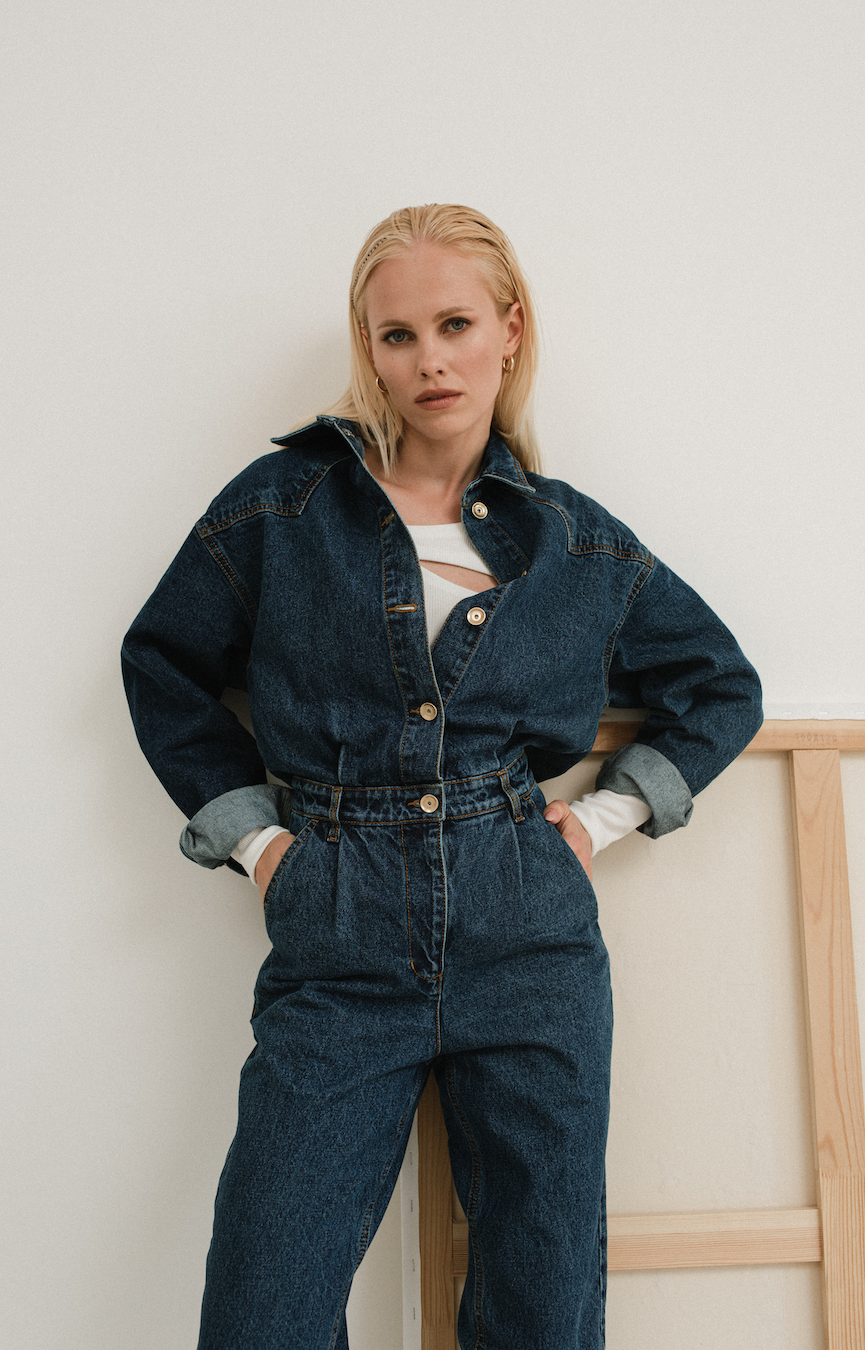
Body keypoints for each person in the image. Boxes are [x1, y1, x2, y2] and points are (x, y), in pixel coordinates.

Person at [122, 204, 762, 1350]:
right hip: (338, 923)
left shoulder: (576, 543)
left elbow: (720, 686)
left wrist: (597, 823)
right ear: (368, 351)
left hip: (528, 932)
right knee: (264, 1304)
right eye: (398, 335)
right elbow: (161, 666)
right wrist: (263, 847)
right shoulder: (281, 508)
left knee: (541, 1306)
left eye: (455, 324)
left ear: (510, 330)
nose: (430, 361)